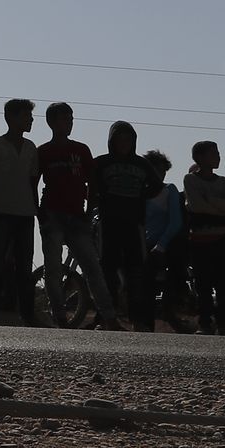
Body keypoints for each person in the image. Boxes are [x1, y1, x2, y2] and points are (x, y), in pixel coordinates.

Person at [35, 103, 119, 329]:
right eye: (64, 119)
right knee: (53, 267)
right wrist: (39, 213)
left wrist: (88, 210)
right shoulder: (43, 151)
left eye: (71, 118)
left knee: (92, 266)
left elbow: (92, 183)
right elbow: (33, 182)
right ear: (51, 122)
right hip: (52, 214)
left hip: (76, 216)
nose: (69, 122)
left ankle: (109, 317)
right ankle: (60, 317)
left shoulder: (81, 150)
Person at [91, 121, 159, 331]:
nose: (124, 143)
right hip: (109, 222)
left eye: (128, 139)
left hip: (134, 224)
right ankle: (106, 319)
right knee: (107, 271)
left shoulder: (142, 164)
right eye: (119, 139)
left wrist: (141, 197)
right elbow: (92, 187)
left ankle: (137, 320)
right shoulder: (101, 163)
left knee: (136, 272)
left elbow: (156, 186)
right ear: (112, 141)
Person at [0, 98, 39, 326]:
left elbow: (34, 181)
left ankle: (27, 315)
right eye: (25, 116)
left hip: (25, 214)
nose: (30, 120)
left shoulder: (31, 148)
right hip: (1, 213)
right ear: (10, 118)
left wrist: (36, 208)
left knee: (24, 266)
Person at [183, 140, 225, 335]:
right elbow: (197, 206)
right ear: (199, 157)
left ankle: (223, 323)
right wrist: (219, 208)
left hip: (222, 240)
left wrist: (211, 201)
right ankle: (205, 322)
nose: (218, 157)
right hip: (199, 241)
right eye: (213, 153)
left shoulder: (224, 182)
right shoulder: (190, 180)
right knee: (203, 285)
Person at [142, 149, 195, 333]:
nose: (160, 175)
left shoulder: (169, 190)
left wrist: (161, 245)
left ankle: (168, 307)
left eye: (163, 171)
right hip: (145, 243)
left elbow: (175, 223)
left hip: (167, 244)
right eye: (156, 170)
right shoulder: (140, 193)